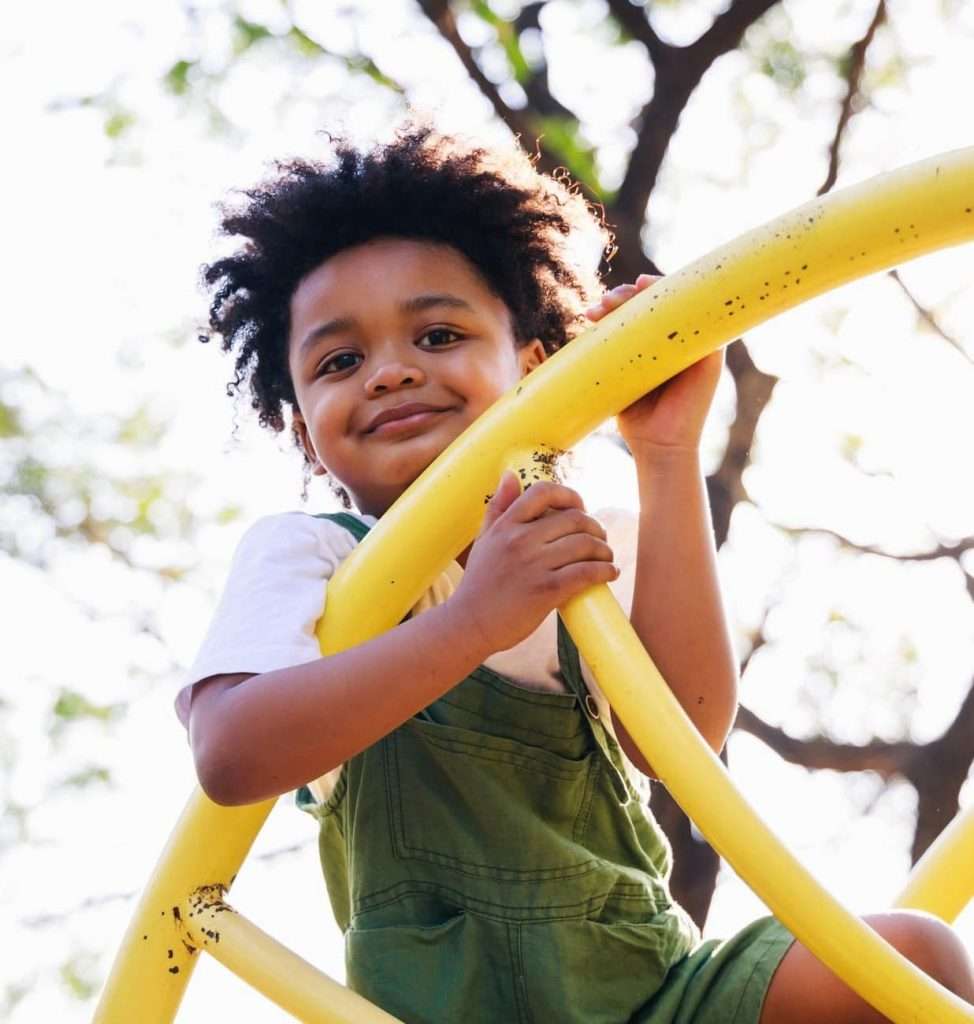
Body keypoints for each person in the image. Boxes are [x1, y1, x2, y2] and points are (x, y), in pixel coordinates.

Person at [180, 124, 973, 1023]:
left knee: (915, 955)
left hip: (655, 996)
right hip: (447, 1011)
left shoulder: (584, 549)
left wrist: (666, 454)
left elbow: (683, 733)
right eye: (339, 361)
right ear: (303, 429)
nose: (392, 372)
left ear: (533, 367)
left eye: (438, 334)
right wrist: (470, 621)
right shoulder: (318, 558)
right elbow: (232, 752)